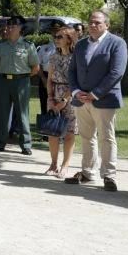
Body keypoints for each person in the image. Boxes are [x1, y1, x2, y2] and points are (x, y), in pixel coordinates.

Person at [64, 10, 128, 191]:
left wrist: (95, 93)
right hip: (81, 99)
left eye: (97, 23)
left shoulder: (117, 43)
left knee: (106, 138)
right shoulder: (81, 44)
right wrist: (76, 91)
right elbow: (72, 70)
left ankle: (109, 175)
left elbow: (117, 72)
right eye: (91, 22)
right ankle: (87, 172)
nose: (93, 25)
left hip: (104, 100)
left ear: (107, 25)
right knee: (86, 137)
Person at [0, 16, 39, 155]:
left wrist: (22, 76)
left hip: (22, 82)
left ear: (21, 28)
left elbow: (35, 67)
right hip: (3, 81)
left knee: (22, 114)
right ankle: (0, 143)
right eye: (8, 26)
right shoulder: (0, 46)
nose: (9, 28)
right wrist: (5, 74)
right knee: (2, 113)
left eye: (13, 26)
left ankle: (26, 145)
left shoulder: (28, 45)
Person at [44, 27, 79, 178]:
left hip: (71, 96)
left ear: (69, 39)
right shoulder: (53, 57)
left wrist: (65, 100)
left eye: (60, 37)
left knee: (70, 132)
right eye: (55, 36)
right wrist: (50, 98)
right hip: (54, 95)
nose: (56, 39)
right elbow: (49, 80)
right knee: (53, 131)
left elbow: (76, 81)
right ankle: (53, 164)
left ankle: (65, 166)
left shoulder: (76, 58)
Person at [36, 21, 64, 117]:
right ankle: (46, 125)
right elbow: (37, 65)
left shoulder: (68, 47)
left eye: (58, 30)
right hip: (46, 76)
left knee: (61, 103)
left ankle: (61, 126)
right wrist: (43, 79)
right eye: (53, 30)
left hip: (62, 79)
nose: (55, 33)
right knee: (45, 101)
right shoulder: (44, 48)